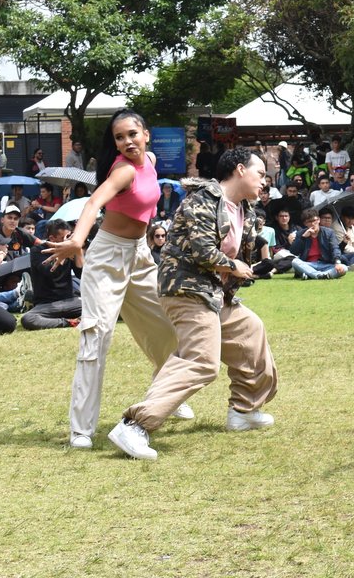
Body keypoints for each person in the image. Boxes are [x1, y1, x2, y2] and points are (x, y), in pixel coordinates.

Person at [107, 147, 279, 461]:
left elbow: (239, 258)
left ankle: (243, 410)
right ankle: (134, 425)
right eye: (260, 173)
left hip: (215, 293)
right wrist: (233, 265)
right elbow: (201, 251)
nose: (264, 181)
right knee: (201, 360)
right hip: (185, 290)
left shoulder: (245, 210)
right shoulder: (203, 200)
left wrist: (253, 266)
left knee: (250, 329)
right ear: (239, 169)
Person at [43, 109, 188, 450]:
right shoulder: (122, 170)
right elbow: (94, 202)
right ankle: (81, 429)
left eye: (132, 134)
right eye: (119, 138)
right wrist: (78, 239)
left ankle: (167, 395)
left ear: (146, 134)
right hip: (107, 258)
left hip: (139, 254)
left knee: (168, 327)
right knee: (97, 336)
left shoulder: (150, 161)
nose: (126, 142)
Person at [20, 220, 83, 329]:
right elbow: (51, 273)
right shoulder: (38, 251)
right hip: (46, 305)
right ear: (52, 238)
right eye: (64, 238)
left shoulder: (70, 249)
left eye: (69, 236)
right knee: (28, 319)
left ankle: (78, 319)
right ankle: (69, 322)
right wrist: (62, 255)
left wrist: (78, 249)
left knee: (102, 304)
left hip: (70, 302)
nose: (67, 241)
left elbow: (81, 274)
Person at [289, 208, 349, 279]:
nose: (312, 224)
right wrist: (303, 237)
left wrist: (337, 262)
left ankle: (311, 275)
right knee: (295, 262)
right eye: (309, 222)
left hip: (325, 264)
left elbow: (335, 248)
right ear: (305, 223)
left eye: (314, 220)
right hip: (308, 264)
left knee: (344, 268)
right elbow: (293, 251)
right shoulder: (301, 234)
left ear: (318, 220)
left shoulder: (329, 232)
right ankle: (320, 275)